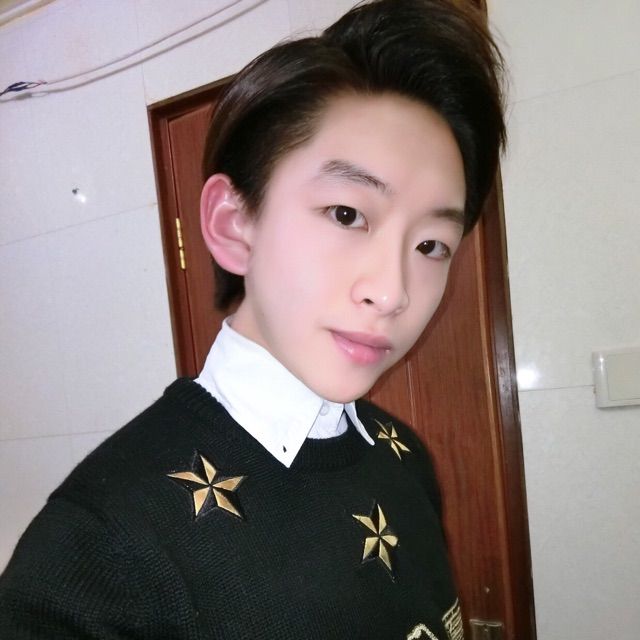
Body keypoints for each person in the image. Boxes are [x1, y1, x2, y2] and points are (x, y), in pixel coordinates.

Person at [0, 0, 505, 638]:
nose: (392, 292)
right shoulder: (99, 545)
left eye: (431, 245)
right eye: (347, 215)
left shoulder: (403, 456)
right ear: (233, 225)